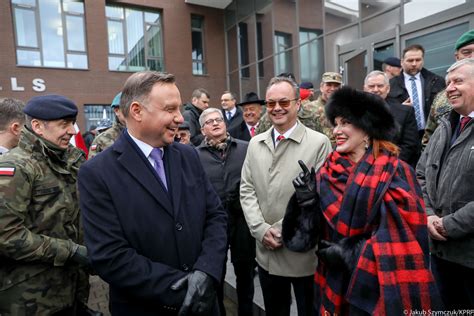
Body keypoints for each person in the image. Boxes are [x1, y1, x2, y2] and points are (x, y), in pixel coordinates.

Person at [78, 71, 228, 316]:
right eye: (170, 109)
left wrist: (207, 272)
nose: (180, 117)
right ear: (137, 111)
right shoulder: (97, 173)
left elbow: (215, 216)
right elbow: (109, 255)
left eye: (179, 109)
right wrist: (182, 289)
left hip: (206, 302)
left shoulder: (188, 156)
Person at [283, 86, 442, 315]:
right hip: (333, 284)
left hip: (378, 290)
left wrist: (350, 253)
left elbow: (407, 242)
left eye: (345, 122)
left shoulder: (397, 172)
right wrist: (306, 204)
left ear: (367, 129)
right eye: (335, 123)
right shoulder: (326, 172)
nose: (336, 130)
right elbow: (301, 242)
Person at [240, 76, 331, 316]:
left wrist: (281, 229)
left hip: (302, 254)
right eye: (271, 103)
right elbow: (247, 189)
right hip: (266, 251)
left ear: (298, 104)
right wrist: (260, 230)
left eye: (284, 102)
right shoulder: (255, 143)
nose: (277, 108)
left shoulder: (319, 143)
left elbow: (322, 195)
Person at [0, 95, 91, 315]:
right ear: (38, 126)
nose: (72, 131)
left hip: (71, 289)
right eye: (64, 124)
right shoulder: (16, 166)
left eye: (72, 123)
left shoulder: (69, 160)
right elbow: (6, 236)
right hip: (32, 298)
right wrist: (71, 251)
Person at [416, 58, 474, 310]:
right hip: (439, 252)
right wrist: (428, 216)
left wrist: (449, 224)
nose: (449, 87)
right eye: (448, 82)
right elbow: (420, 174)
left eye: (458, 81)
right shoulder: (444, 125)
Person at [197, 108, 255, 316]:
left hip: (242, 221)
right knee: (216, 273)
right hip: (214, 224)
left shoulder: (246, 148)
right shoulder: (196, 156)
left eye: (218, 119)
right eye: (209, 121)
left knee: (245, 272)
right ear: (203, 129)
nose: (215, 123)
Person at [422, 29, 474, 149]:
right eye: (467, 52)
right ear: (457, 57)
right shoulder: (442, 98)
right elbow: (428, 140)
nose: (472, 56)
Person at [386, 44, 446, 139]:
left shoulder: (437, 81)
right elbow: (387, 111)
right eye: (410, 60)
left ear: (423, 61)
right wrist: (400, 109)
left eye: (418, 60)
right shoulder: (390, 85)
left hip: (433, 134)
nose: (414, 64)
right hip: (404, 136)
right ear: (402, 62)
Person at [364, 70, 420, 166]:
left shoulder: (405, 112)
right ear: (365, 89)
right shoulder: (354, 113)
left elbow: (409, 146)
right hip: (362, 168)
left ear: (388, 88)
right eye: (371, 86)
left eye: (380, 86)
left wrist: (390, 165)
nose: (376, 89)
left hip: (394, 168)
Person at [89, 92, 126, 158]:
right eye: (127, 108)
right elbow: (93, 166)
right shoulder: (102, 139)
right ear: (117, 111)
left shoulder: (143, 135)